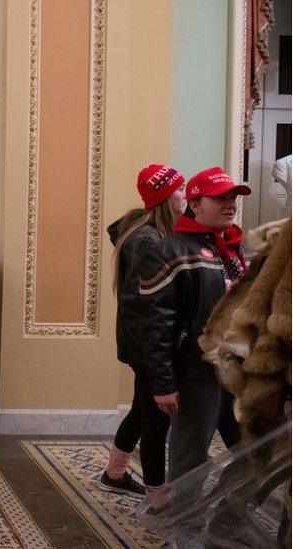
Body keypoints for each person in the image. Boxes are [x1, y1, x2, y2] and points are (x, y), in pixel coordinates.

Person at [137, 167, 251, 489]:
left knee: (257, 452)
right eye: (220, 199)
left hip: (239, 371)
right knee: (189, 463)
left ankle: (225, 523)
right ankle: (185, 532)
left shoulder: (236, 248)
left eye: (233, 198)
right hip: (196, 374)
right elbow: (156, 325)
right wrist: (162, 384)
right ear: (196, 203)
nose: (230, 205)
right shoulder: (169, 251)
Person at [100, 164, 187, 504]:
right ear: (165, 196)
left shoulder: (147, 233)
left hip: (143, 342)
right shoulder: (149, 241)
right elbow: (148, 305)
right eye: (180, 189)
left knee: (141, 409)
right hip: (149, 343)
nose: (186, 194)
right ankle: (157, 499)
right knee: (155, 419)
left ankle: (114, 473)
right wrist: (158, 354)